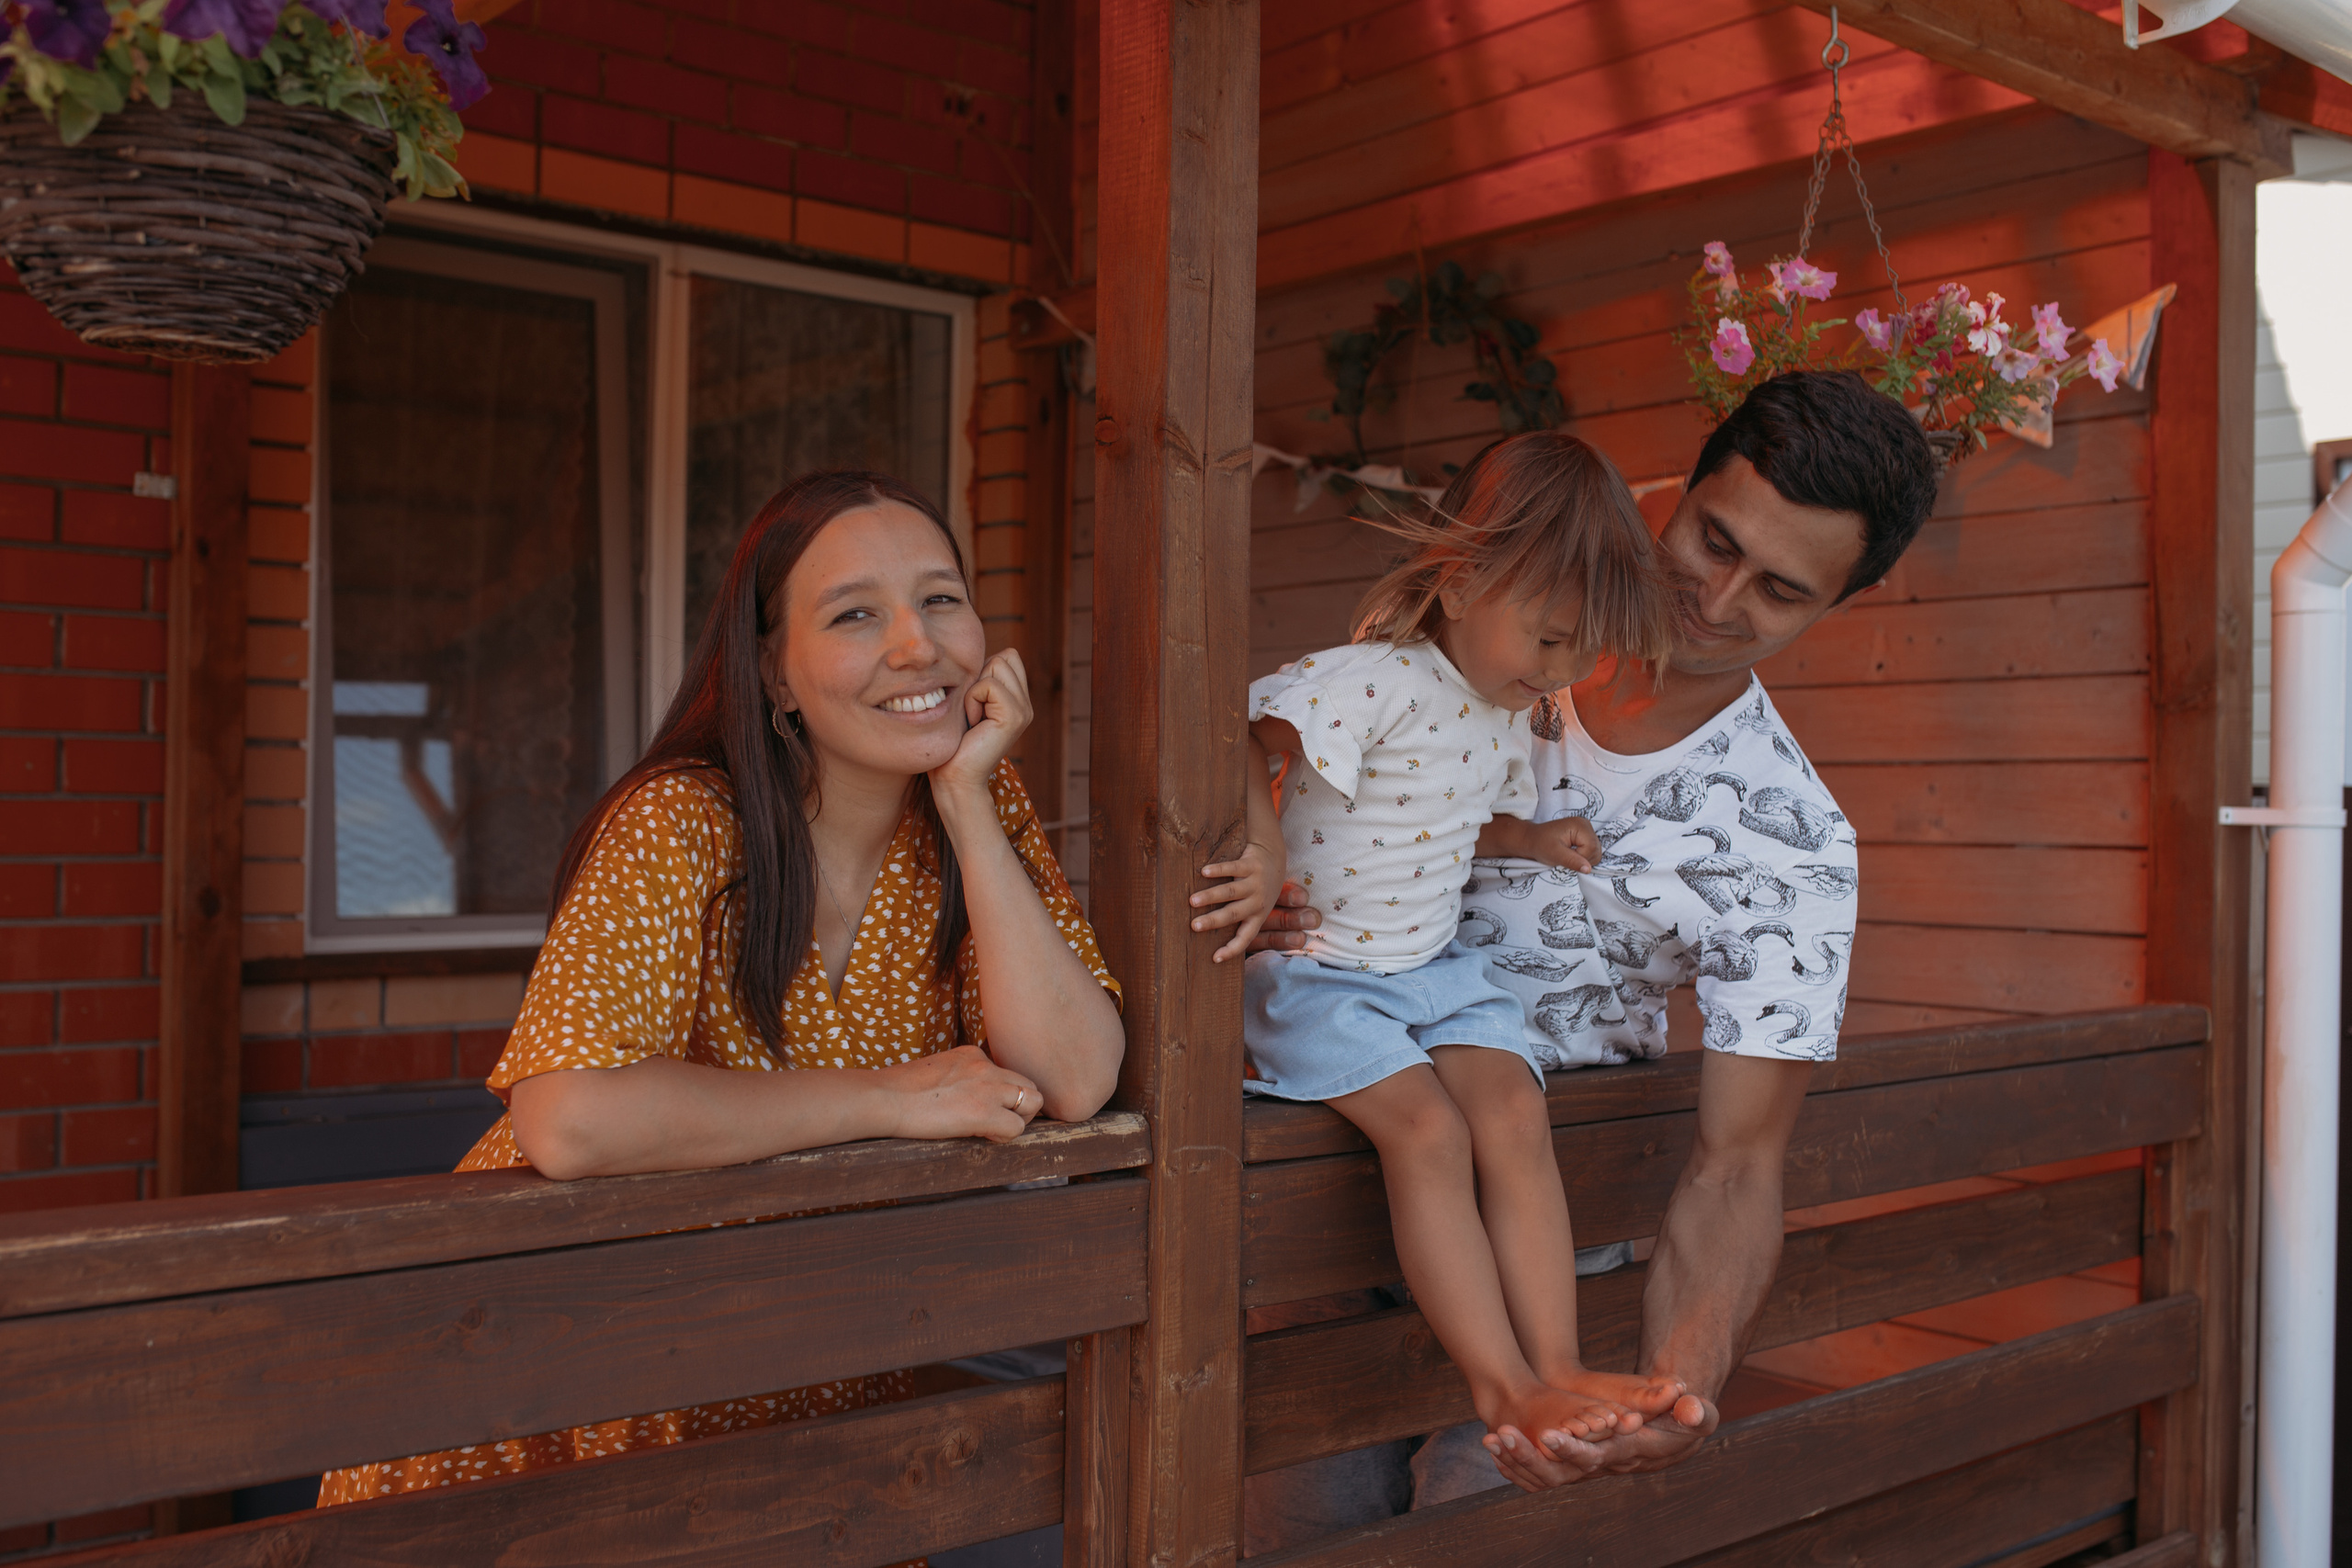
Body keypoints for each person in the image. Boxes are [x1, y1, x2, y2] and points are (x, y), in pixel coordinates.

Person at [318, 470, 1125, 1506]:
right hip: (539, 1376)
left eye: (939, 599)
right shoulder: (681, 820)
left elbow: (1075, 1076)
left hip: (783, 1380)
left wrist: (966, 800)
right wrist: (892, 1098)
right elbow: (571, 1118)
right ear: (774, 674)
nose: (918, 645)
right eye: (854, 614)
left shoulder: (979, 801)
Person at [1252, 370, 1941, 1499]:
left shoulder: (1793, 846)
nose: (1719, 603)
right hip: (1306, 1213)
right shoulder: (1489, 638)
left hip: (1536, 1273)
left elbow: (1736, 1166)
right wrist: (1266, 862)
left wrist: (1675, 1384)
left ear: (1833, 608)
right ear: (1675, 489)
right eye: (1714, 541)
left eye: (1779, 591)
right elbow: (1297, 778)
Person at [1192, 431, 1689, 1469]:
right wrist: (1266, 837)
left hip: (1431, 970)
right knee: (1428, 1135)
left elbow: (1458, 820)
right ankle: (1499, 1384)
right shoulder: (1371, 679)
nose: (1563, 671)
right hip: (1327, 972)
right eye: (1551, 639)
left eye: (1581, 649)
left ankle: (1555, 1362)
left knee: (1514, 1107)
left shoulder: (1506, 711)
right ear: (1460, 583)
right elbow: (1248, 734)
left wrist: (1533, 842)